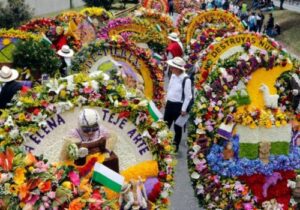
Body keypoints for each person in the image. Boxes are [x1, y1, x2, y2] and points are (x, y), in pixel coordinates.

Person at [164, 57, 193, 152]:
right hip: (169, 104)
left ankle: (175, 145)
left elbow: (188, 96)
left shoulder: (186, 79)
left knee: (177, 128)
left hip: (178, 106)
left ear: (179, 68)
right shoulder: (173, 76)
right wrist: (166, 100)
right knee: (165, 125)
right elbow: (170, 88)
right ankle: (164, 143)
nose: (171, 69)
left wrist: (184, 109)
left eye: (173, 67)